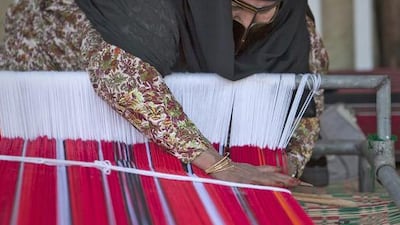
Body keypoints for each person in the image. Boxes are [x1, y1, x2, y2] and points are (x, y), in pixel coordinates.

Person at [0, 0, 328, 187]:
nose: (248, 20)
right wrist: (217, 165)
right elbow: (121, 77)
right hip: (56, 100)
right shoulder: (142, 10)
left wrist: (279, 170)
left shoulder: (289, 19)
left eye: (265, 8)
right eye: (237, 5)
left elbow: (306, 99)